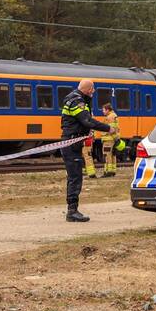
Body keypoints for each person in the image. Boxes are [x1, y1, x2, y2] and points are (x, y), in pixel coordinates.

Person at [60, 79, 111, 222]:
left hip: (73, 142)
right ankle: (72, 211)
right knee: (75, 177)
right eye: (92, 90)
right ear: (88, 89)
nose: (93, 92)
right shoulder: (77, 101)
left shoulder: (75, 99)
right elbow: (87, 120)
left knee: (75, 176)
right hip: (71, 143)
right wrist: (108, 128)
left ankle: (72, 209)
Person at [100, 102, 120, 177]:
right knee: (112, 155)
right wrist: (116, 139)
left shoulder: (109, 117)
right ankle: (113, 171)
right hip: (112, 139)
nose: (103, 112)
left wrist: (115, 138)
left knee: (107, 155)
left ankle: (108, 171)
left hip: (108, 140)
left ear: (108, 110)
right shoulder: (114, 115)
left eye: (104, 110)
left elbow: (111, 130)